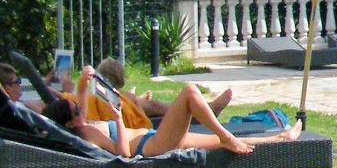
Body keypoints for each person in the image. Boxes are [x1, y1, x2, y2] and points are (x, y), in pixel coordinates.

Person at [45, 83, 296, 159]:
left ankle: (281, 137)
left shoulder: (83, 124)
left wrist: (85, 80)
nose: (82, 109)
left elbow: (76, 100)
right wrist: (118, 120)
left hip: (153, 138)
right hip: (151, 146)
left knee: (222, 144)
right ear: (70, 123)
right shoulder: (88, 134)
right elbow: (122, 153)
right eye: (78, 110)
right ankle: (223, 130)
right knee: (188, 92)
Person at [91, 56, 233, 122]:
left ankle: (206, 109)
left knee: (151, 105)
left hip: (110, 100)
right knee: (155, 105)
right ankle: (206, 111)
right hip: (111, 108)